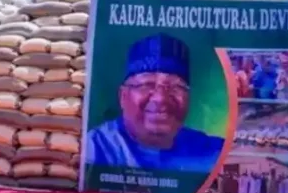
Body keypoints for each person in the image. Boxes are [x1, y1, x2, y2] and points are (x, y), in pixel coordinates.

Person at [85, 34, 225, 171]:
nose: (160, 98)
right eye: (146, 85)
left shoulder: (214, 152)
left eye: (175, 87)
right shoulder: (93, 149)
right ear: (123, 96)